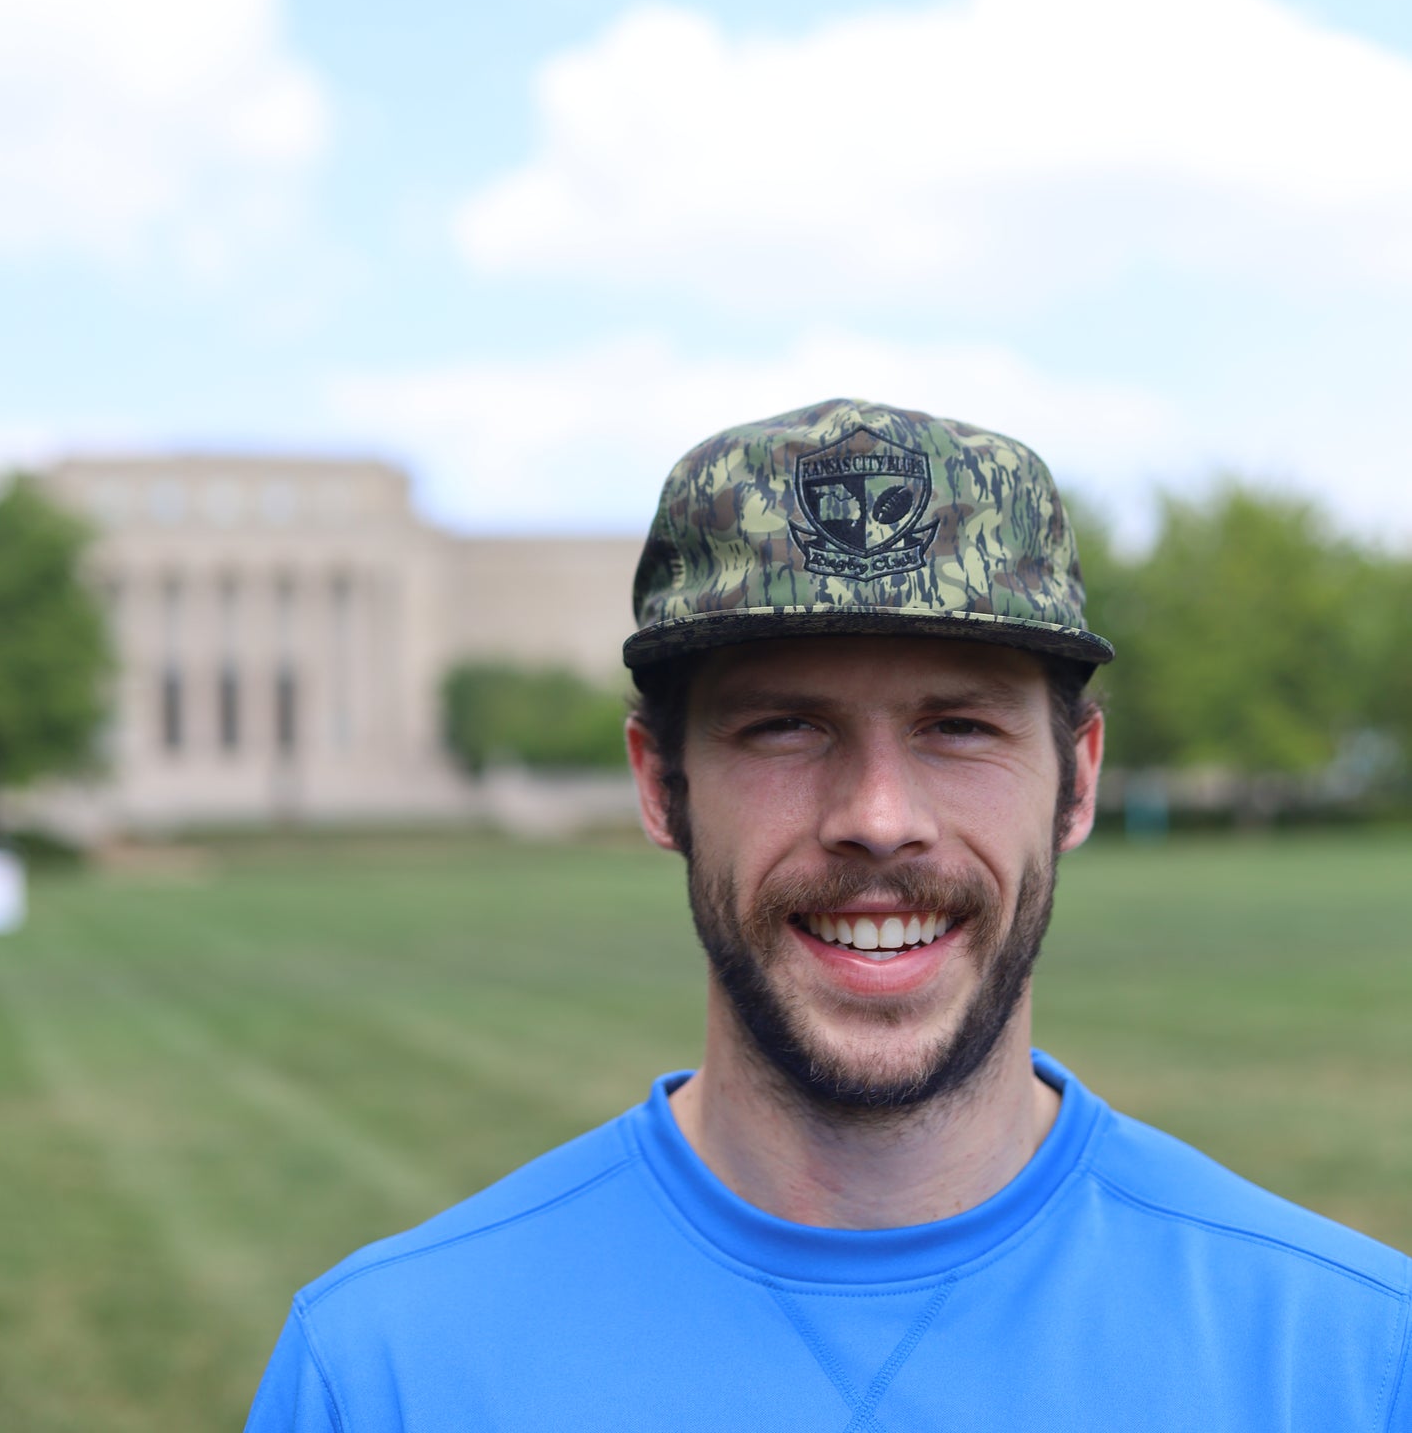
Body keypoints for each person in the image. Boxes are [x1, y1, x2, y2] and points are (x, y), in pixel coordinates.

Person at [246, 399, 1412, 1431]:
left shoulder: (1352, 1361)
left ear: (1076, 777)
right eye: (782, 726)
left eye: (958, 725)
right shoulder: (387, 1371)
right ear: (661, 783)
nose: (877, 816)